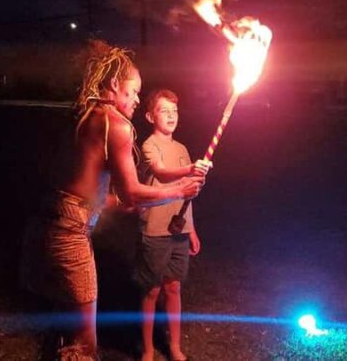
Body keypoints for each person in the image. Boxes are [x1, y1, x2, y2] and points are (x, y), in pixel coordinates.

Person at [20, 42, 208, 360]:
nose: (136, 99)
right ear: (113, 85)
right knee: (84, 342)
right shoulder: (116, 124)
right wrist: (180, 190)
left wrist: (121, 204)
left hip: (45, 227)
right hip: (68, 237)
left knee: (66, 322)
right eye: (133, 91)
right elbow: (132, 191)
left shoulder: (86, 114)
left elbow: (80, 194)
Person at [135, 89, 210, 361]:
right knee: (152, 289)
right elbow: (160, 172)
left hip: (179, 231)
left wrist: (192, 230)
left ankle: (175, 347)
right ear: (149, 116)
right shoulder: (148, 146)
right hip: (156, 230)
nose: (171, 115)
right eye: (164, 110)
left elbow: (189, 194)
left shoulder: (182, 149)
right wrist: (190, 168)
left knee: (174, 288)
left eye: (175, 111)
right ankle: (147, 349)